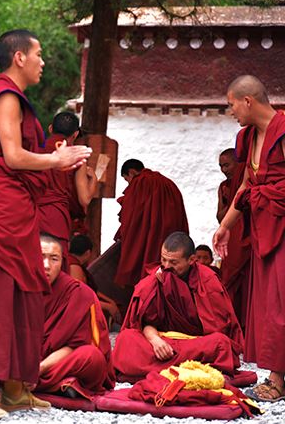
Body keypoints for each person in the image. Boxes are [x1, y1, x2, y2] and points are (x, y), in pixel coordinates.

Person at [0, 29, 91, 418]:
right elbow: (13, 157)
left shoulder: (16, 100)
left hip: (17, 208)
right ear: (19, 58)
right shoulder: (6, 97)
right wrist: (56, 161)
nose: (43, 61)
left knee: (24, 295)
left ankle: (15, 387)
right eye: (39, 54)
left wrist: (54, 158)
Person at [214, 75, 285, 402]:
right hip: (266, 228)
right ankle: (276, 374)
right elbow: (246, 185)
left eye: (231, 104)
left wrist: (266, 196)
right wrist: (226, 225)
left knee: (281, 303)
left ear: (248, 101)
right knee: (270, 304)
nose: (230, 111)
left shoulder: (283, 132)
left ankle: (276, 379)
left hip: (282, 228)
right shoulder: (248, 137)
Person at [113, 232, 243, 383]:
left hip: (194, 344)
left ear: (191, 260)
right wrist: (155, 340)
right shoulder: (155, 280)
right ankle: (190, 370)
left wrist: (191, 345)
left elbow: (218, 328)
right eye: (163, 260)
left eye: (173, 263)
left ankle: (157, 370)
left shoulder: (207, 281)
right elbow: (145, 322)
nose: (166, 266)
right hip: (163, 341)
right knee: (126, 339)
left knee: (221, 343)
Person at [36, 234, 114, 398]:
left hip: (57, 363)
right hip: (25, 361)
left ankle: (28, 383)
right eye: (41, 257)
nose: (46, 265)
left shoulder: (77, 292)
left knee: (92, 358)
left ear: (63, 263)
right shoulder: (18, 287)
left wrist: (40, 368)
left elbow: (74, 346)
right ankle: (60, 384)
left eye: (54, 259)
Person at [37, 111, 98, 268]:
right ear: (75, 134)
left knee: (32, 264)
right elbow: (84, 199)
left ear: (51, 129)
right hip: (57, 218)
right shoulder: (76, 156)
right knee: (55, 265)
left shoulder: (34, 150)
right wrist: (94, 180)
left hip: (31, 216)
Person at [114, 159, 189, 287]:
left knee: (147, 279)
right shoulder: (169, 184)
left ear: (131, 173)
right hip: (172, 240)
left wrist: (122, 235)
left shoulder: (139, 183)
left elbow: (131, 217)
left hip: (149, 239)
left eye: (127, 180)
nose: (128, 184)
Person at [215, 148, 250, 329]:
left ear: (238, 163)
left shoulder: (249, 180)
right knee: (229, 280)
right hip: (232, 237)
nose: (224, 170)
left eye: (227, 165)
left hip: (247, 236)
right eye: (221, 166)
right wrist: (229, 202)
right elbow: (220, 217)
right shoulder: (224, 187)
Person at [68, 234, 122, 329]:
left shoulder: (75, 264)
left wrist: (110, 302)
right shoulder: (74, 267)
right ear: (88, 253)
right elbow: (79, 298)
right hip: (76, 317)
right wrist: (107, 306)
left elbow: (91, 290)